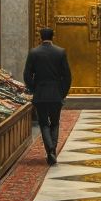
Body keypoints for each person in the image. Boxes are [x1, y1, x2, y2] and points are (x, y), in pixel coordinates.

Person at [24, 27, 72, 164]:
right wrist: (62, 92)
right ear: (53, 37)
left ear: (40, 37)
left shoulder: (34, 52)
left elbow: (27, 74)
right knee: (55, 122)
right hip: (56, 94)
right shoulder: (60, 52)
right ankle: (52, 150)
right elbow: (67, 76)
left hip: (40, 94)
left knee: (44, 123)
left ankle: (50, 149)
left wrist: (34, 88)